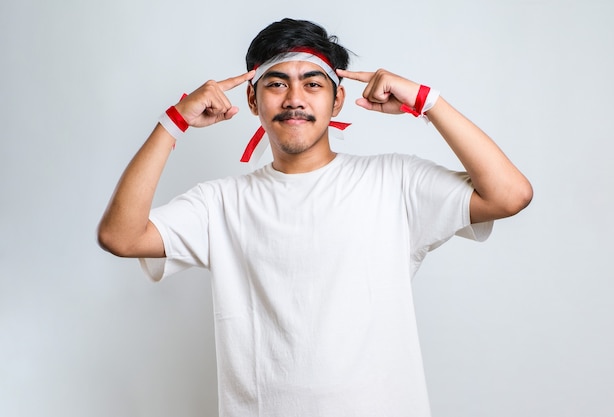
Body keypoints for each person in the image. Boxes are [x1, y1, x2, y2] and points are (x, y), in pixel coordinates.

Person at [98, 18, 532, 417]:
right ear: (252, 99)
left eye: (312, 83)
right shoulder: (222, 203)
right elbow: (121, 236)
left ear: (338, 98)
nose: (294, 100)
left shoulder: (393, 181)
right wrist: (173, 122)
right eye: (276, 84)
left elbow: (510, 195)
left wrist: (427, 101)